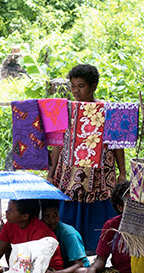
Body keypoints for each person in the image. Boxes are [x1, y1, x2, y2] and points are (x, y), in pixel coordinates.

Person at [48, 64, 127, 253]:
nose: (76, 90)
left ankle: (98, 252)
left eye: (81, 86)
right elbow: (58, 144)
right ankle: (72, 251)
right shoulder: (64, 110)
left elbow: (117, 144)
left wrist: (122, 172)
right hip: (70, 173)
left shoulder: (108, 110)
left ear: (93, 87)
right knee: (69, 211)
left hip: (100, 172)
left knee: (100, 213)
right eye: (73, 85)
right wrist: (50, 173)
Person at [73, 181, 144, 273]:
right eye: (131, 203)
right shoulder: (111, 225)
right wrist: (92, 270)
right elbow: (101, 260)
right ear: (120, 207)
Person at [0, 199, 63, 271]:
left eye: (11, 210)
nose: (7, 212)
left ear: (25, 216)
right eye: (8, 208)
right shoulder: (10, 225)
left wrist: (2, 271)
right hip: (24, 270)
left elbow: (33, 268)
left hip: (48, 272)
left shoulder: (40, 231)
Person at [40, 199, 89, 273]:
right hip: (54, 270)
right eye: (47, 216)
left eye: (55, 215)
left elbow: (79, 264)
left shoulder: (69, 234)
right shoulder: (39, 230)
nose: (52, 220)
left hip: (72, 271)